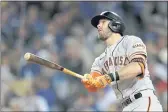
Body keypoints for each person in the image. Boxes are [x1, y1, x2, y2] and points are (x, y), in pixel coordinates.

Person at [81, 11, 163, 111]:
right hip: (125, 107)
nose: (98, 25)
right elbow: (93, 86)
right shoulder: (100, 60)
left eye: (103, 22)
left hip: (142, 101)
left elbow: (137, 67)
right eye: (98, 24)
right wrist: (89, 81)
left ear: (114, 24)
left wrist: (108, 77)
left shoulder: (131, 41)